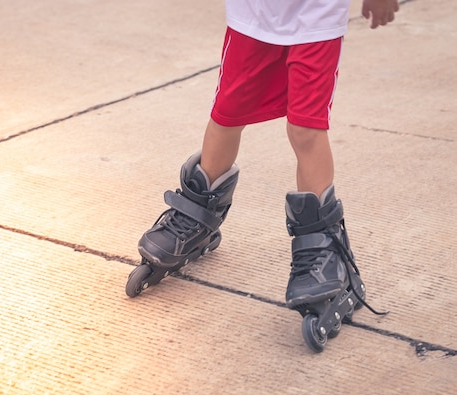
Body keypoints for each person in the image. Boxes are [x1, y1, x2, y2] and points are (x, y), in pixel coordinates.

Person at [128, 0, 398, 349]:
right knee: (226, 115)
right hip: (253, 14)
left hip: (315, 16)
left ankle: (323, 246)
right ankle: (200, 209)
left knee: (305, 128)